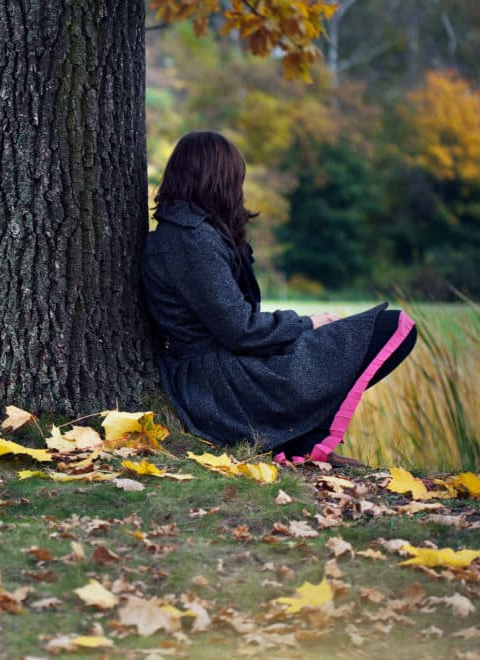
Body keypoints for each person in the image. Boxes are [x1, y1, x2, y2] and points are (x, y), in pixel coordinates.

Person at [142, 131, 417, 467]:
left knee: (367, 333)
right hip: (219, 383)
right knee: (389, 327)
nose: (238, 189)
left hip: (224, 368)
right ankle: (301, 441)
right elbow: (238, 329)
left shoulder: (190, 232)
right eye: (236, 179)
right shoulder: (192, 240)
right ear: (218, 180)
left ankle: (299, 439)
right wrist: (307, 323)